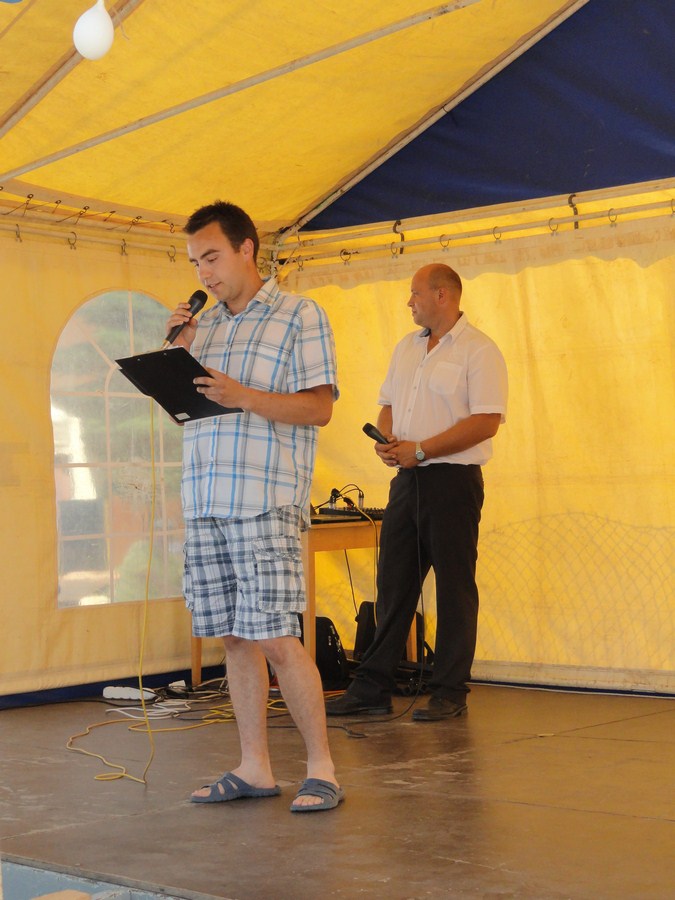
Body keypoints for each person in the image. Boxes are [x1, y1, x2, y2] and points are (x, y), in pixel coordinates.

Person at [167, 200, 343, 811]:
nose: (204, 273)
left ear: (247, 249)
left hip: (264, 499)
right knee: (233, 639)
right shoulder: (205, 327)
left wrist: (243, 395)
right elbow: (190, 411)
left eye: (212, 257)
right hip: (206, 500)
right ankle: (254, 767)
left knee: (276, 638)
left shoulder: (300, 315)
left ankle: (322, 768)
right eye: (195, 262)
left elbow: (319, 407)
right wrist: (177, 356)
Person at [326, 263, 507, 721]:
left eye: (415, 293)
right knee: (393, 583)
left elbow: (486, 421)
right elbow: (387, 405)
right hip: (407, 481)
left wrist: (421, 450)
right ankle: (372, 687)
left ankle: (449, 691)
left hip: (453, 481)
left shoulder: (479, 350)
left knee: (453, 587)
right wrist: (387, 441)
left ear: (443, 295)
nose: (409, 302)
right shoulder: (407, 347)